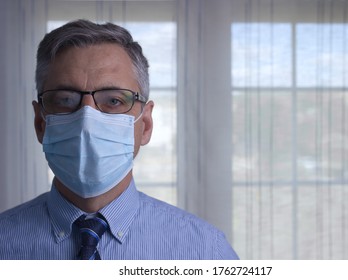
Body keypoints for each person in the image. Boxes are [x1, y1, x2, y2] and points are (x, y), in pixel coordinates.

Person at [0, 19, 239, 260]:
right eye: (64, 100)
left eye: (114, 100)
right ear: (40, 123)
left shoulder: (206, 252)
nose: (87, 121)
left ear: (145, 125)